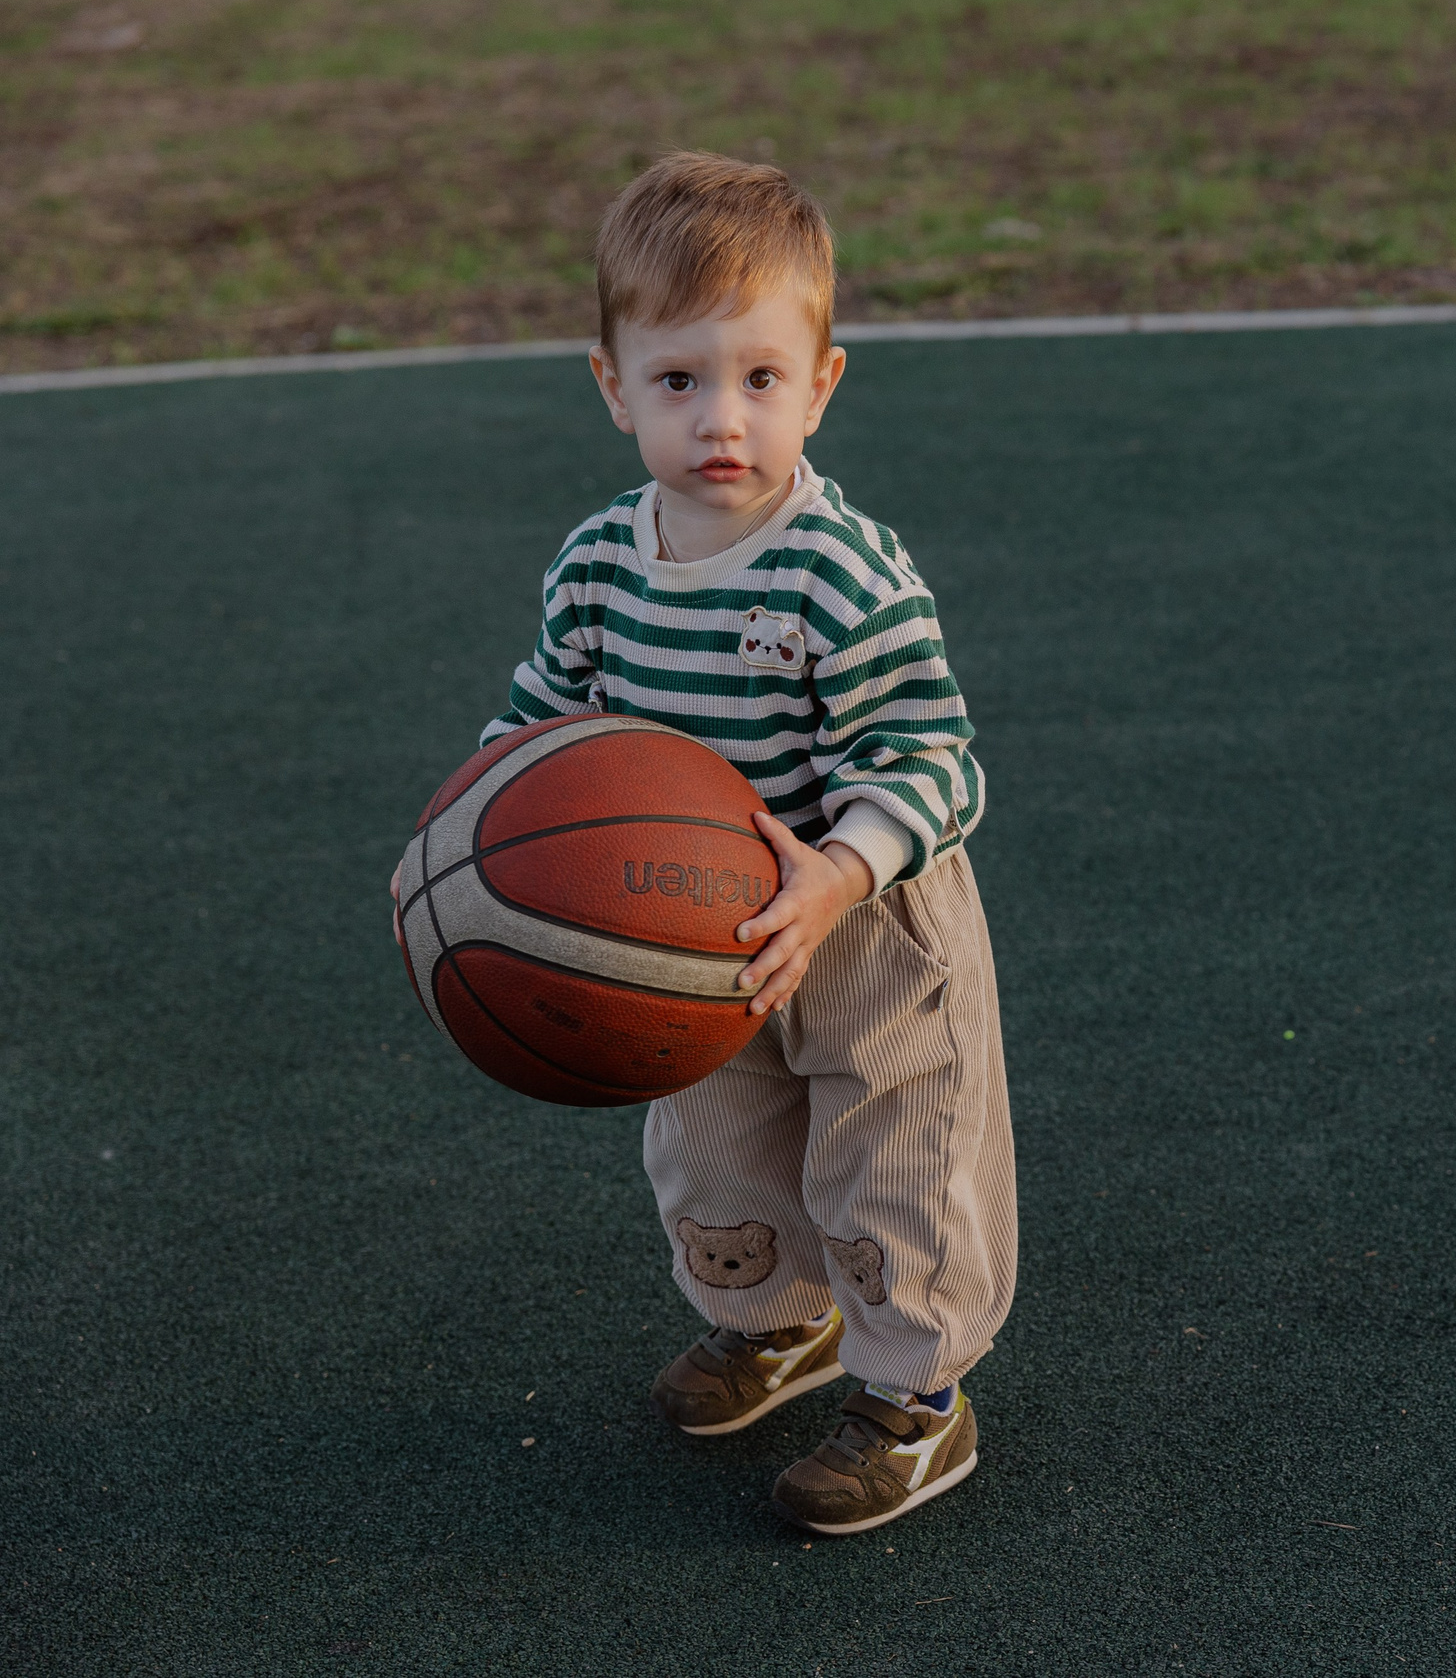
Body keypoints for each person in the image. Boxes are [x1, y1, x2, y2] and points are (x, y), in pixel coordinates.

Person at [391, 151, 1012, 1536]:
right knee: (717, 1156)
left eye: (760, 379)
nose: (721, 418)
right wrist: (445, 860)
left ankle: (916, 1399)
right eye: (679, 381)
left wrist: (841, 869)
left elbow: (936, 760)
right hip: (677, 925)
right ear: (613, 387)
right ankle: (774, 1324)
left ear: (822, 384)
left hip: (857, 914)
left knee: (887, 1164)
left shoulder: (839, 569)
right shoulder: (601, 564)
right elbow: (541, 732)